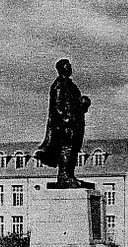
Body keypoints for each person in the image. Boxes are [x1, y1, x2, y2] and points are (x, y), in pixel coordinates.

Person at [36, 59, 92, 188]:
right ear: (62, 69)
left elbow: (75, 103)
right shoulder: (59, 85)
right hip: (66, 125)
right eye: (68, 66)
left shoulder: (71, 85)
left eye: (70, 66)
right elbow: (57, 106)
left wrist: (83, 103)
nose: (70, 68)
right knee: (66, 149)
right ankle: (63, 176)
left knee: (73, 150)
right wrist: (66, 120)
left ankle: (70, 175)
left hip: (76, 123)